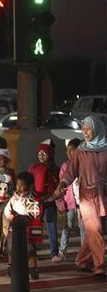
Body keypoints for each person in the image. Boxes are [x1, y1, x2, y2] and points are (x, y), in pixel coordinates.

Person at [54, 116, 107, 277]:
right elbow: (71, 172)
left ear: (97, 129)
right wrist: (62, 185)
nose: (85, 132)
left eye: (88, 129)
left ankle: (82, 260)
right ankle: (99, 266)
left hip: (104, 195)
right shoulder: (80, 151)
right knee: (95, 230)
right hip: (88, 196)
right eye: (83, 129)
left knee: (96, 231)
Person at [4, 171, 43, 279]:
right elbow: (7, 209)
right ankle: (11, 267)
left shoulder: (32, 198)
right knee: (12, 247)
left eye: (21, 185)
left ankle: (33, 268)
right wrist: (11, 216)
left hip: (28, 226)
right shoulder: (14, 197)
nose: (18, 187)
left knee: (31, 249)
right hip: (15, 224)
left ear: (29, 185)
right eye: (17, 184)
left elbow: (35, 213)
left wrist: (28, 215)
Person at [28, 141, 60, 260]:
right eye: (39, 153)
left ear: (50, 155)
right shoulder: (33, 167)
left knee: (51, 227)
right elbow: (28, 182)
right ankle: (33, 252)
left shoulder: (55, 170)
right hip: (35, 202)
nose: (41, 155)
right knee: (34, 227)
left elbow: (59, 185)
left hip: (49, 202)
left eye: (44, 153)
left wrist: (54, 197)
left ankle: (54, 253)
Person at [54, 138, 82, 262]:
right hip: (71, 202)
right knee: (68, 226)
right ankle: (62, 251)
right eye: (68, 150)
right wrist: (61, 203)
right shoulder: (65, 166)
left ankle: (84, 254)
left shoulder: (84, 165)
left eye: (72, 150)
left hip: (83, 203)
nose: (69, 153)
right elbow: (62, 184)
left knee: (83, 228)